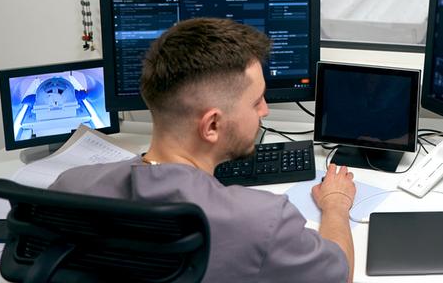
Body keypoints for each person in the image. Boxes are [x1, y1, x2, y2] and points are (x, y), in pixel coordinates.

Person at [49, 18, 356, 282]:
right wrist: (336, 206)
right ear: (211, 126)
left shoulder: (67, 189)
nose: (264, 111)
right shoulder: (261, 220)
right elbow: (338, 273)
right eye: (256, 101)